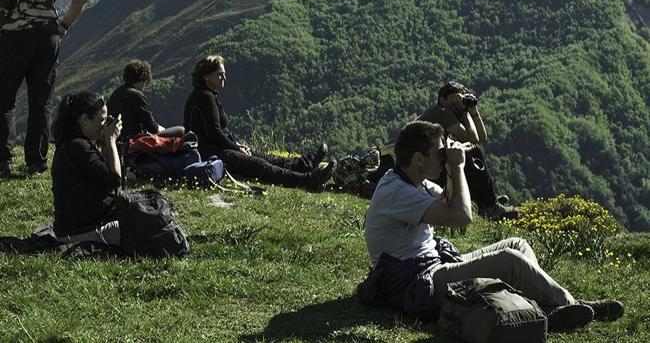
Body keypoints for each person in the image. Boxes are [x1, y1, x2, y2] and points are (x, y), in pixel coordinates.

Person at [358, 121, 624, 332]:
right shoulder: (396, 192)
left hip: (430, 266)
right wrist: (457, 166)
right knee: (509, 260)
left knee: (518, 244)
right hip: (416, 283)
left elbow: (449, 200)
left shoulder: (414, 181)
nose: (443, 156)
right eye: (438, 152)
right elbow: (462, 217)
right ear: (418, 159)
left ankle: (535, 308)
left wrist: (451, 168)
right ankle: (571, 304)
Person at [0, 0, 89, 176]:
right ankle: (36, 162)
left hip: (12, 38)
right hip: (46, 39)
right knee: (41, 102)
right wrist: (63, 26)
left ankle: (2, 161)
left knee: (4, 100)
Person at [184, 55, 334, 190]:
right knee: (260, 165)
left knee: (265, 157)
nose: (224, 78)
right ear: (206, 76)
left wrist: (237, 146)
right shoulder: (204, 97)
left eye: (224, 74)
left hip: (219, 149)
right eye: (219, 74)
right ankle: (308, 180)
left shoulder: (207, 94)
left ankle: (305, 164)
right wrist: (236, 148)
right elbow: (214, 132)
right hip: (211, 154)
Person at [417, 80, 519, 219]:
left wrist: (474, 112)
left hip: (426, 163)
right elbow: (471, 139)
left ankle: (485, 201)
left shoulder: (449, 113)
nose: (458, 101)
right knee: (472, 152)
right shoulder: (440, 112)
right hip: (422, 168)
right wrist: (464, 111)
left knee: (468, 153)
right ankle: (489, 207)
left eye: (461, 96)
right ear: (443, 100)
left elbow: (481, 137)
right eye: (454, 97)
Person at [50, 91, 122, 246]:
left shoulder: (75, 144)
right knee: (144, 226)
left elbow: (105, 181)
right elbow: (115, 182)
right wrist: (111, 141)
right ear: (84, 119)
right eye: (102, 120)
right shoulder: (78, 147)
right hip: (81, 233)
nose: (104, 126)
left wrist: (104, 143)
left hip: (79, 227)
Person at [107, 59, 185, 140]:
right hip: (135, 142)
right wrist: (163, 129)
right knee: (181, 131)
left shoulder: (116, 93)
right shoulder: (136, 95)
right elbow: (152, 128)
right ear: (142, 79)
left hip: (118, 141)